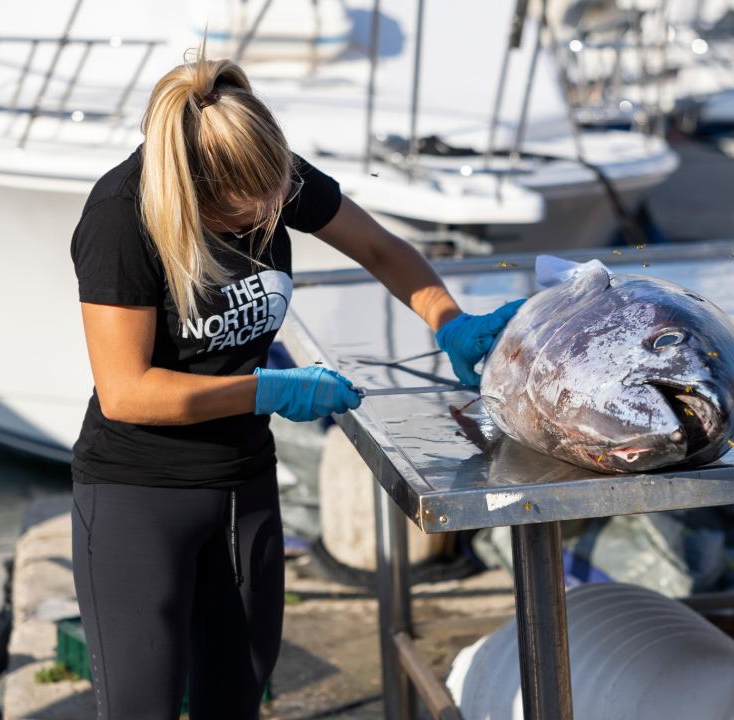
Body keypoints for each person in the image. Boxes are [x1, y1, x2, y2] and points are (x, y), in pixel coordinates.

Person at [69, 48, 522, 719]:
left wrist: (448, 321)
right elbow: (126, 391)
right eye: (248, 222)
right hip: (139, 495)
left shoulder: (268, 178)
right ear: (199, 196)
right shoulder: (122, 217)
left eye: (277, 208)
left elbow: (378, 248)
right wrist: (267, 391)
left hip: (243, 485)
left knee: (239, 698)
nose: (267, 224)